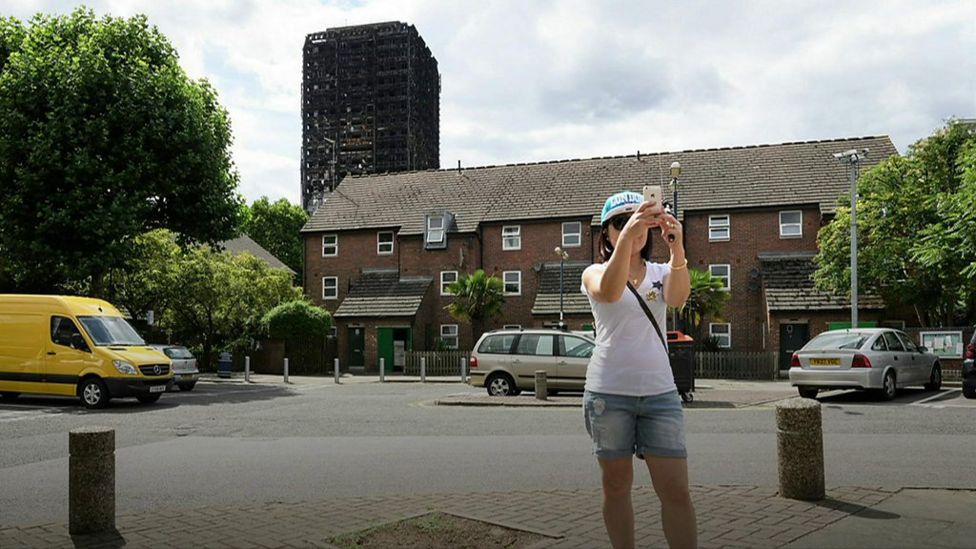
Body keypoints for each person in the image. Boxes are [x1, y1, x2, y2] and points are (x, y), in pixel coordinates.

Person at [580, 190, 696, 549]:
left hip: (659, 393)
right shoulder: (594, 272)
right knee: (616, 487)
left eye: (640, 218)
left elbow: (677, 299)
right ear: (607, 232)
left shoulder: (662, 272)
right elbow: (611, 293)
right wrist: (628, 238)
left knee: (675, 489)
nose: (632, 226)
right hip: (608, 395)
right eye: (620, 221)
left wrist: (676, 248)